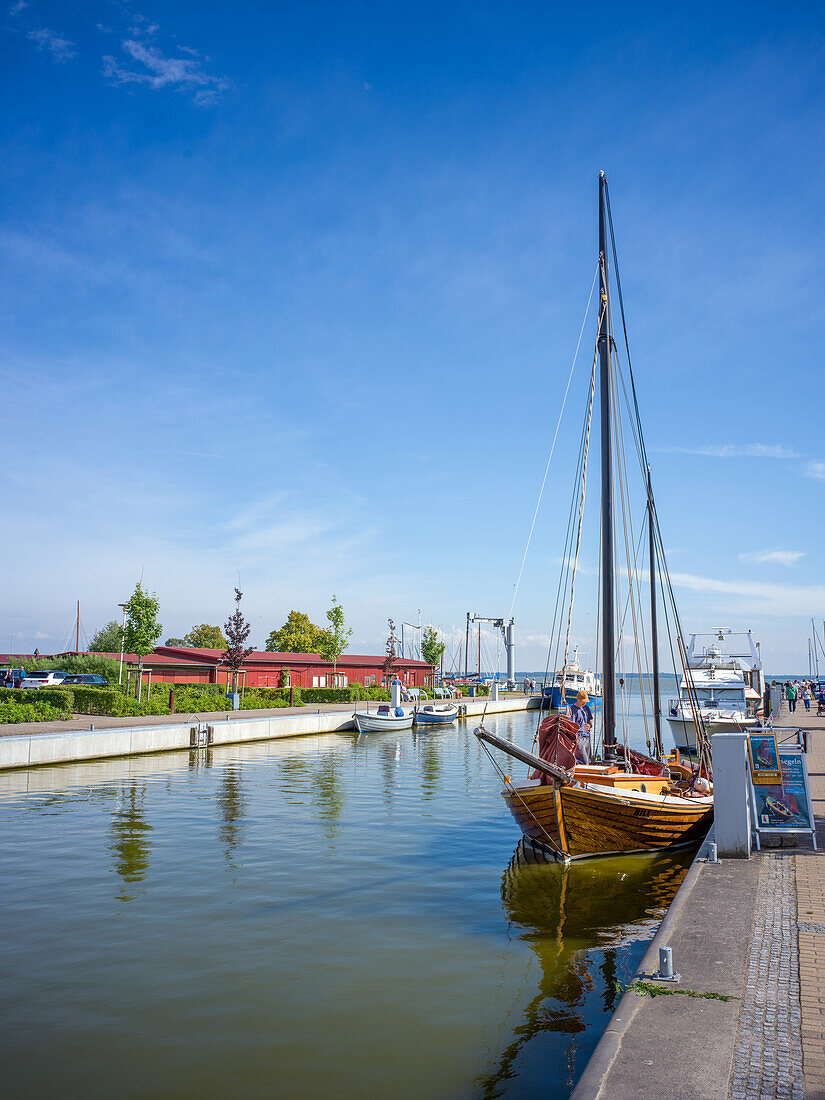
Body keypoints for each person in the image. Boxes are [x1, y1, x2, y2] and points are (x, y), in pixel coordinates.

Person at [568, 690, 593, 764]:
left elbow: (590, 721)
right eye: (583, 701)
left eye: (585, 701)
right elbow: (570, 725)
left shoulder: (586, 708)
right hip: (578, 738)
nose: (584, 703)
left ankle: (587, 773)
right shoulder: (572, 710)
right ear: (578, 699)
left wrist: (589, 725)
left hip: (587, 737)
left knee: (588, 760)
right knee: (583, 760)